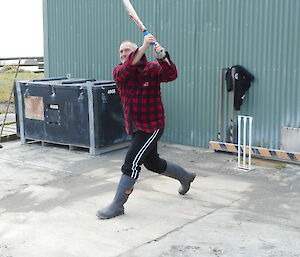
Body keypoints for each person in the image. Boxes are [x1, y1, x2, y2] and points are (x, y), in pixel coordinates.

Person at [96, 34, 196, 219]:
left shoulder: (152, 68)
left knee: (131, 163)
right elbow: (128, 69)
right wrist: (142, 47)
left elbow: (171, 74)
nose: (123, 53)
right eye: (121, 51)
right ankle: (185, 177)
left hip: (152, 125)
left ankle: (118, 206)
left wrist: (163, 58)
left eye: (127, 50)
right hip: (134, 126)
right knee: (153, 163)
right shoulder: (119, 71)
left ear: (135, 52)